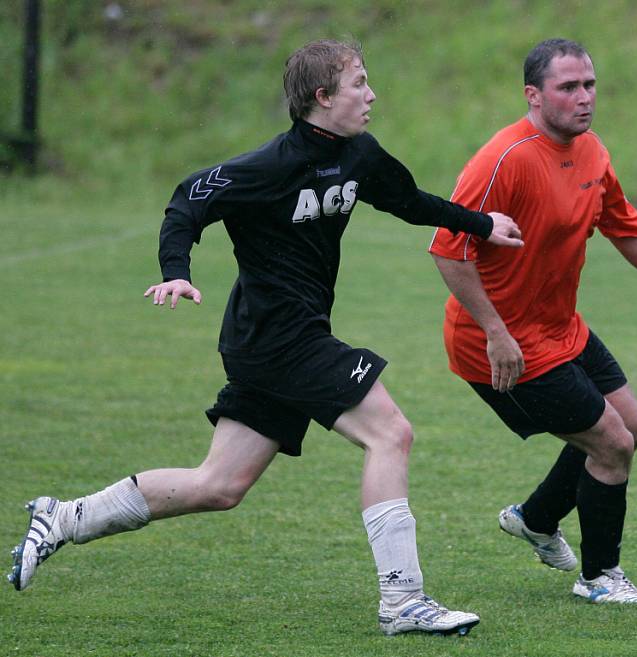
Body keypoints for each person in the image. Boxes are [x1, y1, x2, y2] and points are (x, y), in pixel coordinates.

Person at [8, 39, 524, 636]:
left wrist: (481, 223)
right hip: (280, 338)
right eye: (359, 82)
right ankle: (404, 601)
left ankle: (65, 517)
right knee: (391, 432)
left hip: (272, 341)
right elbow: (187, 201)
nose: (371, 93)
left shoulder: (359, 155)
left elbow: (407, 202)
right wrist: (176, 270)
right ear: (321, 97)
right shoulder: (269, 167)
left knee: (219, 485)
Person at [429, 38, 637, 604]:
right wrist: (496, 332)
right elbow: (447, 251)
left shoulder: (592, 152)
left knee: (632, 427)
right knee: (612, 445)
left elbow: (626, 227)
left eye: (589, 85)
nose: (584, 98)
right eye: (568, 88)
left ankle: (536, 518)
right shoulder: (503, 160)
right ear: (534, 96)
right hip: (499, 343)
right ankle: (600, 578)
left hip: (560, 327)